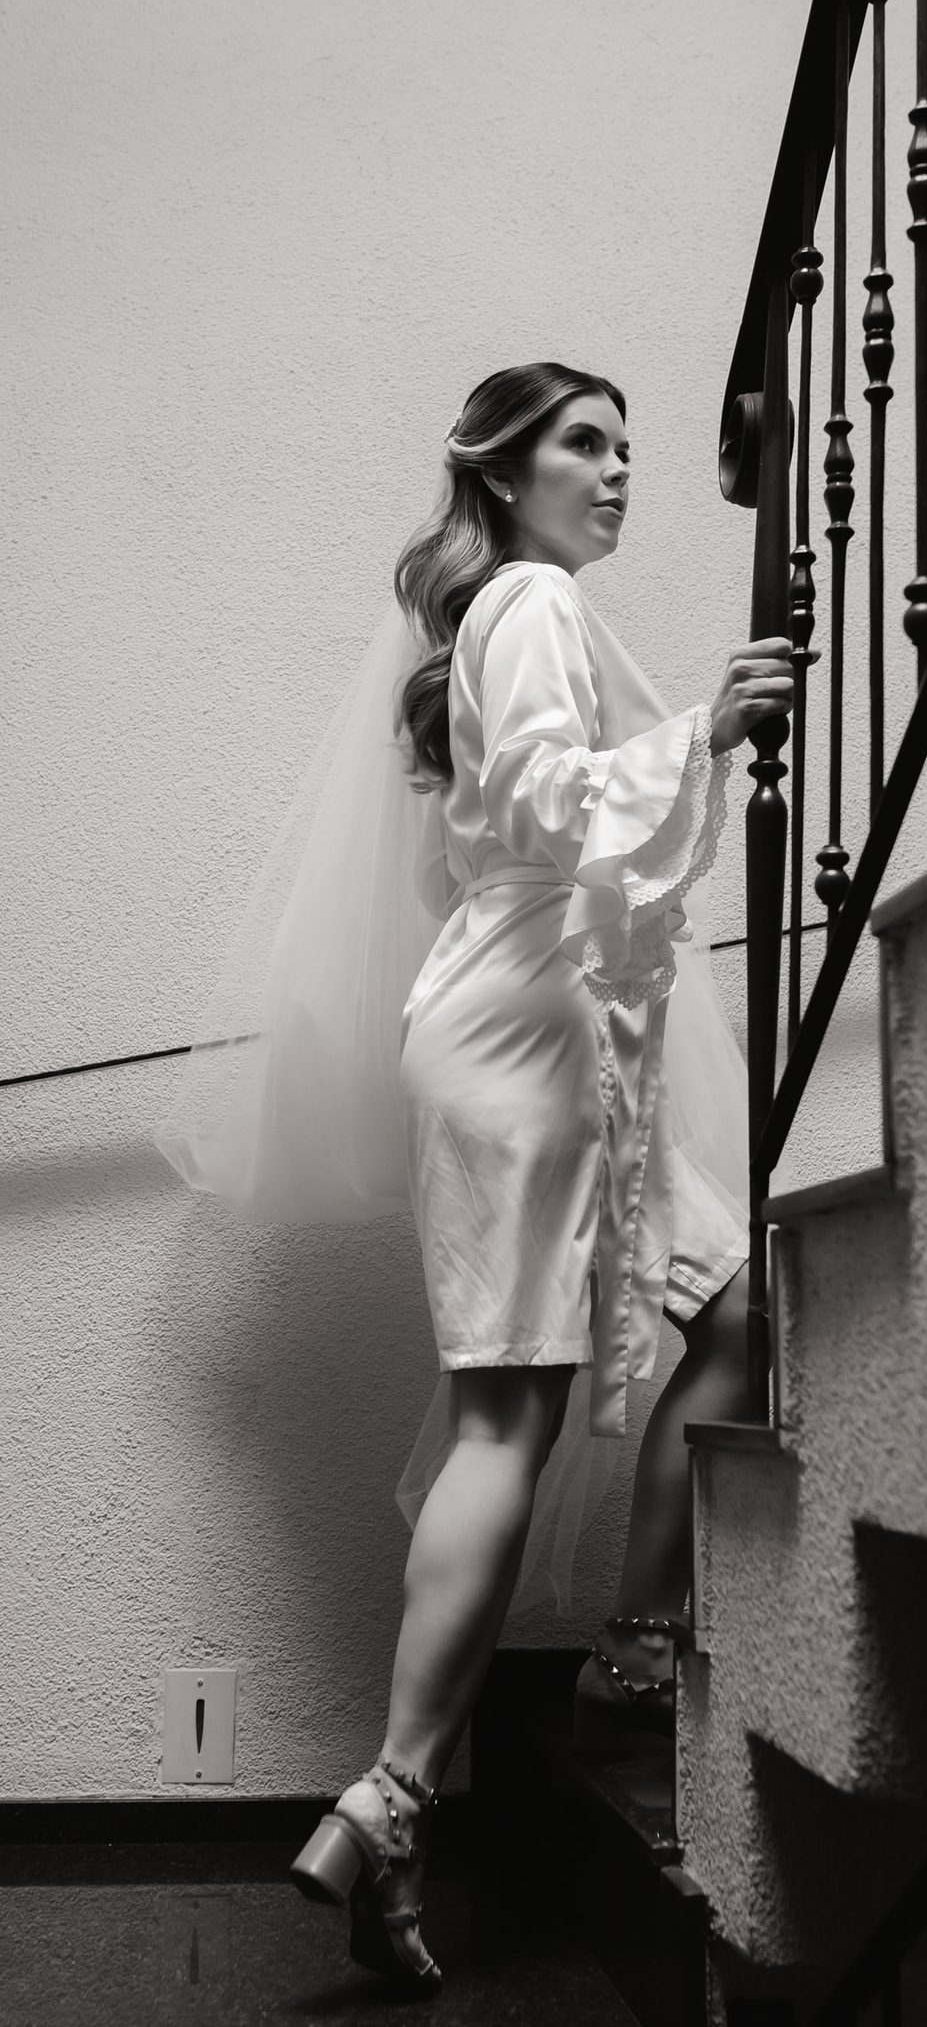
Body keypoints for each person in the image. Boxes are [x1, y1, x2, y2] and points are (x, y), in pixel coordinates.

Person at [160, 360, 794, 1990]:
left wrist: (688, 746)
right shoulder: (527, 599)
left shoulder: (512, 614)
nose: (619, 467)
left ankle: (611, 1671)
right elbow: (548, 808)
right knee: (519, 1410)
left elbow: (534, 831)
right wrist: (707, 731)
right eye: (584, 441)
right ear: (505, 474)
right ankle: (401, 1785)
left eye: (629, 445)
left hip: (527, 1026)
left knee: (724, 1308)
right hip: (527, 1034)